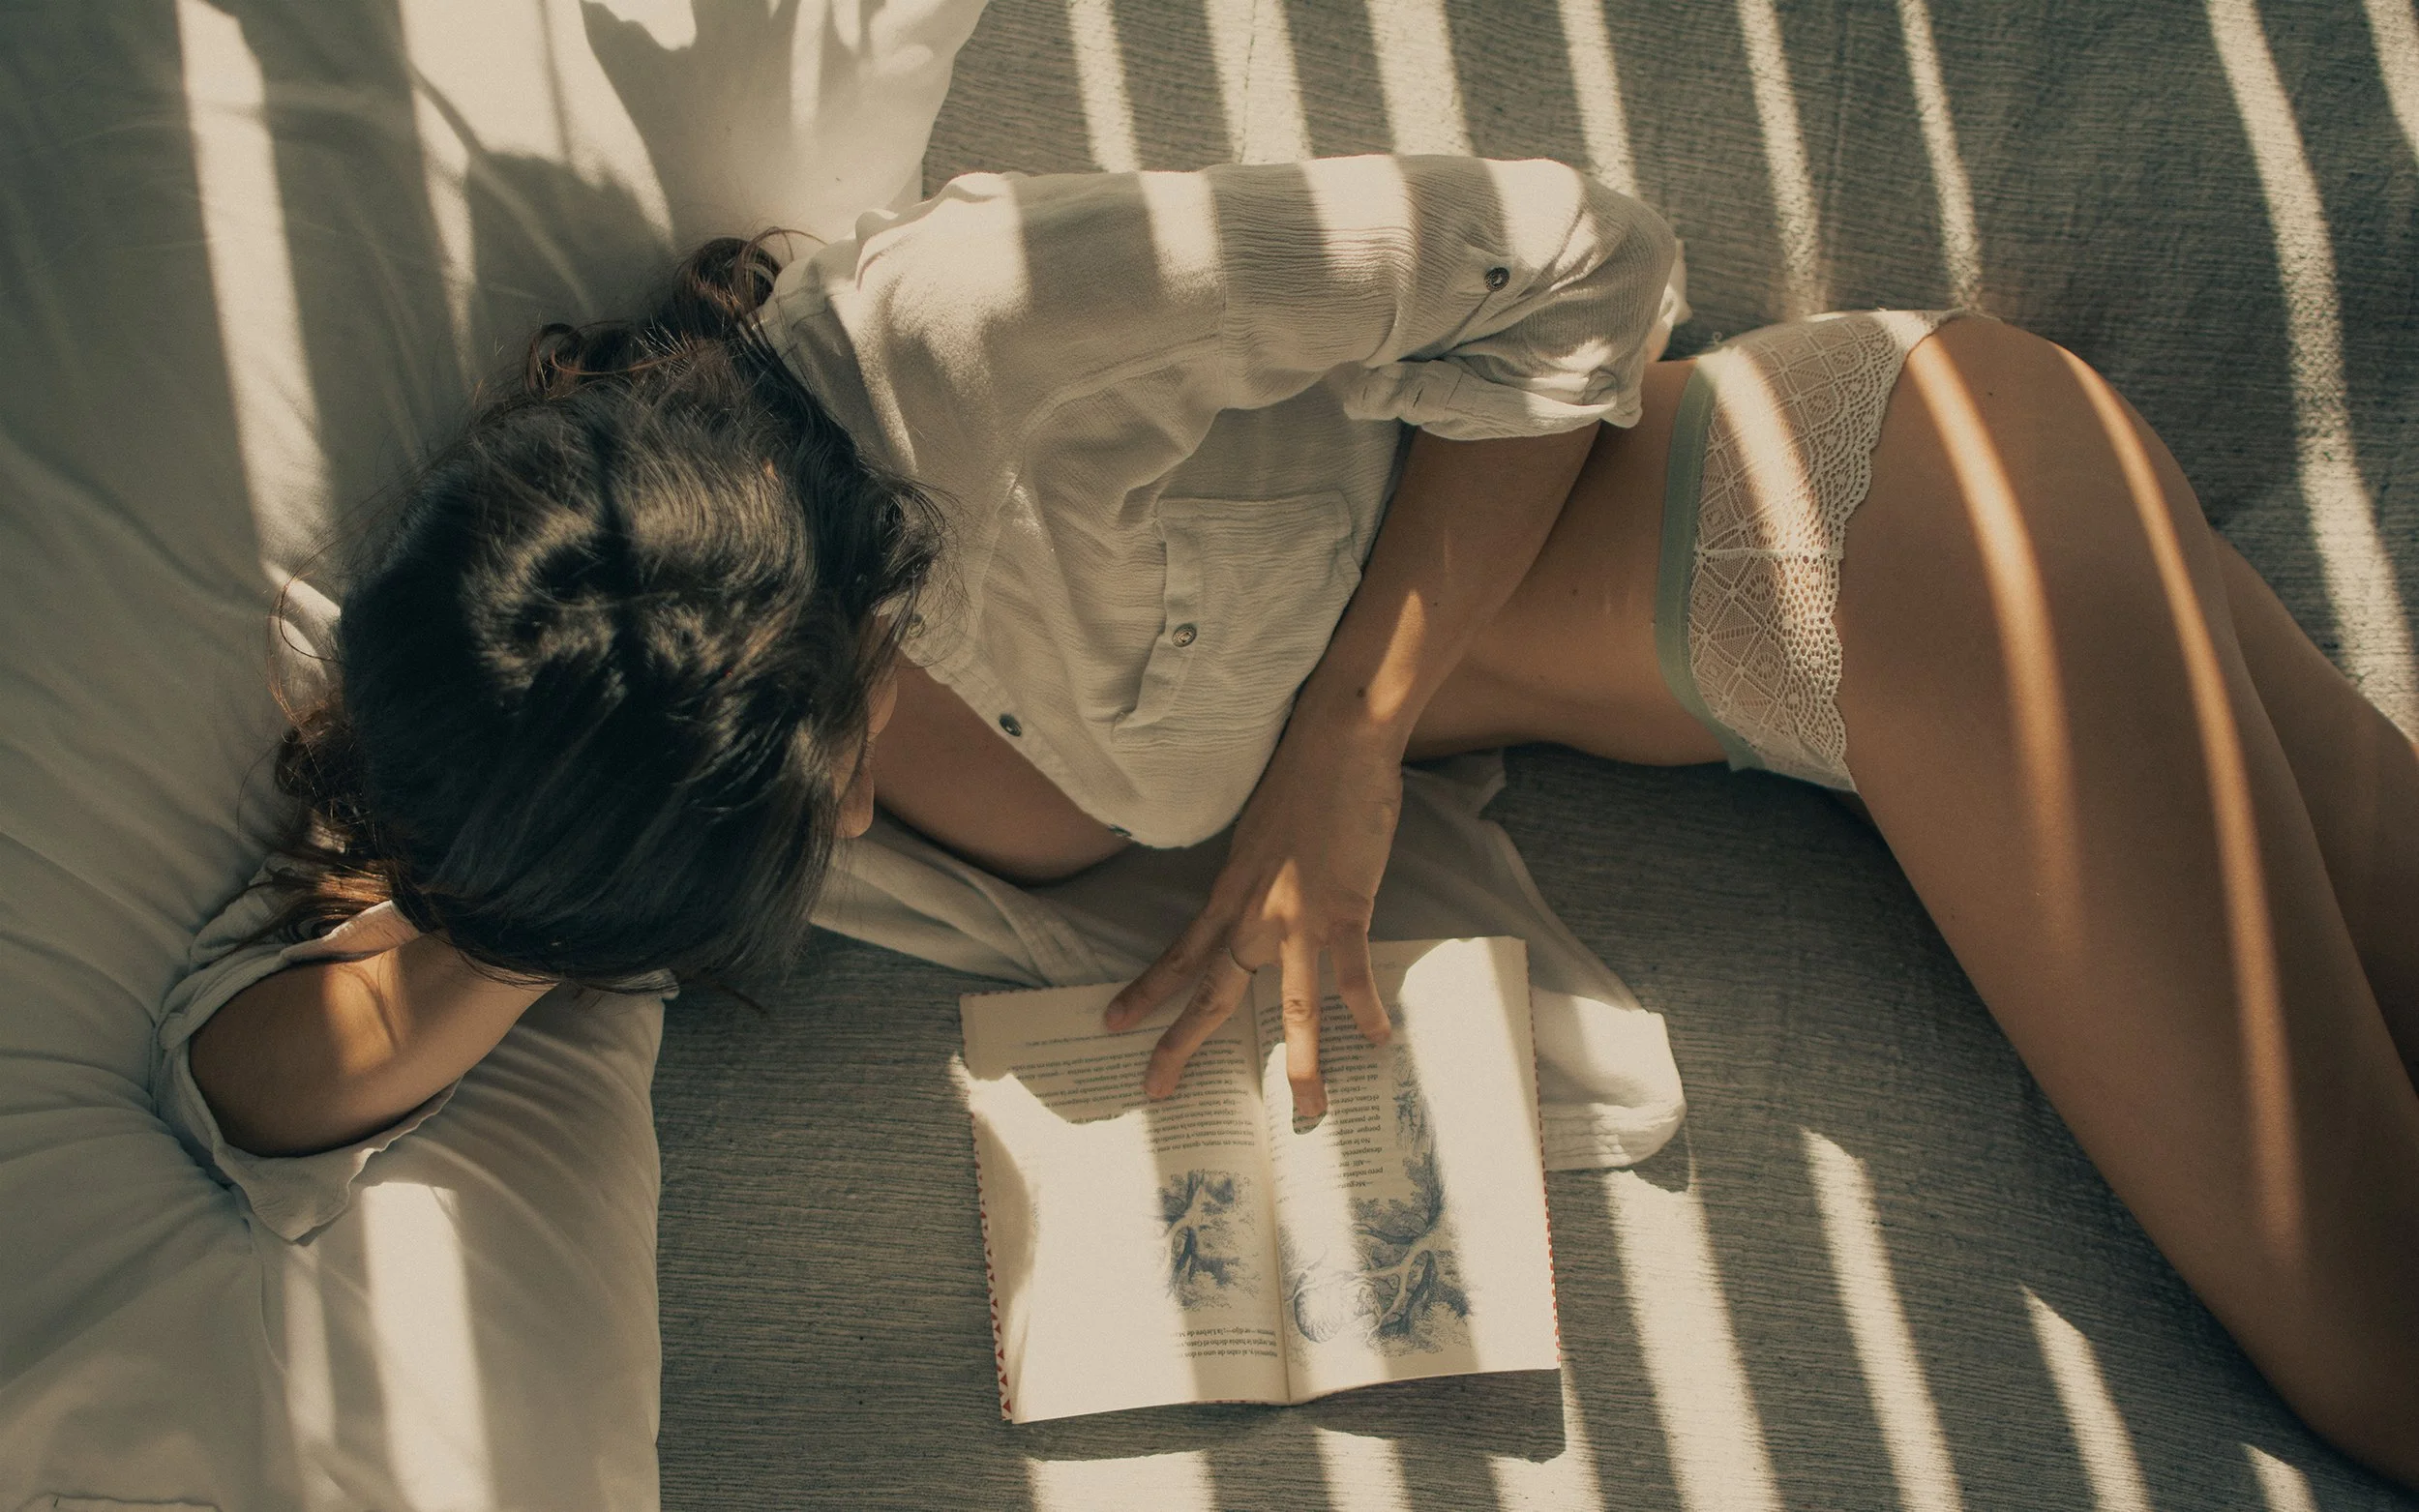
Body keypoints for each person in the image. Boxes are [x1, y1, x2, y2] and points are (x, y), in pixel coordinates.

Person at [171, 156, 2415, 1483]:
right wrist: (553, 886)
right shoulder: (669, 741)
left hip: (1868, 539)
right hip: (1844, 656)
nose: (852, 810)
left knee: (2378, 1361)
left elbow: (1573, 255)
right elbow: (253, 1077)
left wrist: (1354, 732)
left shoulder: (971, 325)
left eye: (827, 753)